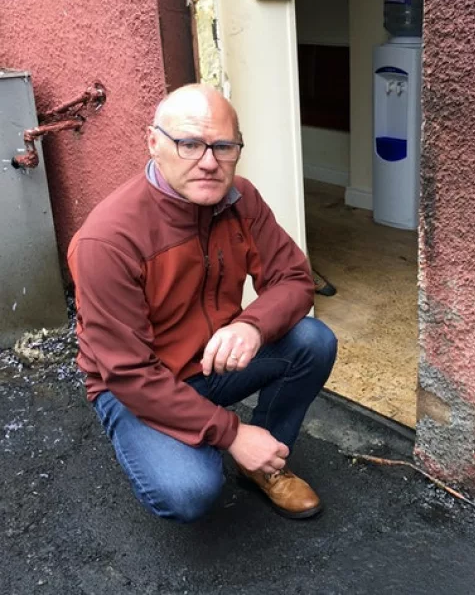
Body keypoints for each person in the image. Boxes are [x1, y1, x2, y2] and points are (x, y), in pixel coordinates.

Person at [67, 84, 337, 523]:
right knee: (190, 491)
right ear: (153, 143)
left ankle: (265, 465)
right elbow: (128, 372)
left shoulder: (242, 199)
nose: (209, 162)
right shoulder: (107, 241)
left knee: (312, 340)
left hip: (211, 360)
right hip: (136, 385)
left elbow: (293, 278)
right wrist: (230, 433)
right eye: (189, 144)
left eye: (223, 146)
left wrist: (251, 326)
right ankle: (188, 441)